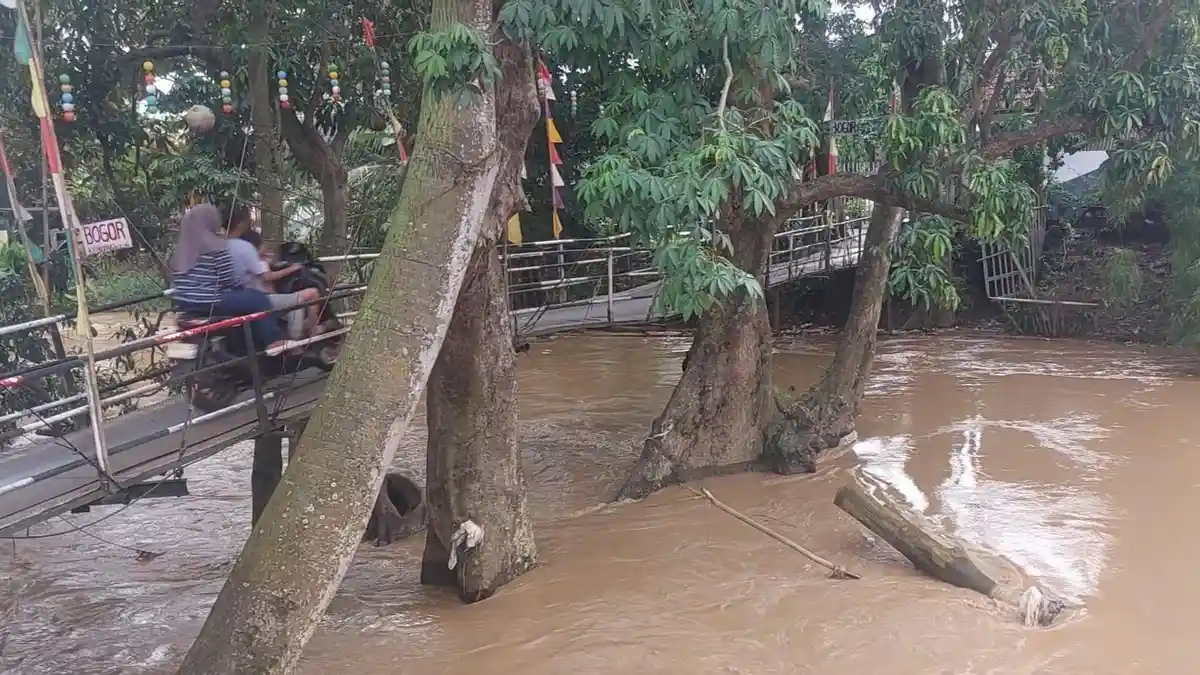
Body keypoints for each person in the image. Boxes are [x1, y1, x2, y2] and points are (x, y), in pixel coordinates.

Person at [171, 203, 283, 350]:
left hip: (185, 302)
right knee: (259, 300)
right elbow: (226, 279)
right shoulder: (215, 245)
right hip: (211, 301)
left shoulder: (181, 248)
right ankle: (272, 342)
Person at [221, 204, 322, 340]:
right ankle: (304, 339)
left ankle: (294, 338)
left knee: (293, 302)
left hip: (232, 297)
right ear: (240, 223)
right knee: (310, 295)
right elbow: (266, 277)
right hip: (256, 297)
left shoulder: (218, 247)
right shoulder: (244, 248)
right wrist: (291, 269)